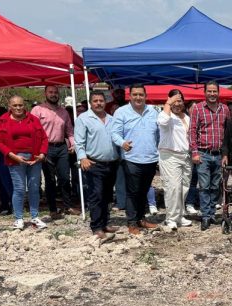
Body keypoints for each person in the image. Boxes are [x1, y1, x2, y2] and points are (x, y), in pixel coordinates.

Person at [111, 84, 160, 235]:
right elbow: (114, 133)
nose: (138, 97)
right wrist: (122, 143)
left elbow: (158, 134)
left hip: (150, 158)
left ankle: (141, 218)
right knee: (132, 192)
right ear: (129, 96)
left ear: (145, 96)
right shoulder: (121, 112)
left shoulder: (153, 111)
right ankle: (132, 222)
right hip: (131, 158)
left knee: (144, 190)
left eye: (141, 94)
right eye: (135, 95)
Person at [0, 96, 49, 231]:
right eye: (15, 105)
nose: (18, 108)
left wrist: (42, 154)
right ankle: (18, 218)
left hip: (34, 158)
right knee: (19, 189)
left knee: (34, 188)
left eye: (20, 105)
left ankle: (34, 216)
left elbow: (44, 138)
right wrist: (12, 155)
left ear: (24, 106)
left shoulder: (33, 119)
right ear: (10, 106)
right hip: (15, 159)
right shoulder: (2, 120)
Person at [75, 90, 120, 241]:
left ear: (105, 102)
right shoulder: (83, 119)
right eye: (95, 101)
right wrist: (82, 158)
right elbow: (79, 141)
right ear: (90, 103)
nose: (99, 103)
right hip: (94, 163)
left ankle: (105, 223)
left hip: (112, 163)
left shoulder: (111, 119)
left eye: (101, 100)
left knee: (107, 196)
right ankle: (96, 227)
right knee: (96, 195)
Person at [31, 85, 79, 219]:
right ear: (45, 93)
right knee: (50, 179)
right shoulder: (37, 110)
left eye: (55, 92)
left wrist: (73, 144)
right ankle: (53, 209)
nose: (53, 94)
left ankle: (68, 206)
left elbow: (69, 131)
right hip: (46, 148)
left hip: (62, 147)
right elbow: (32, 131)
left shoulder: (63, 112)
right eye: (50, 92)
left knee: (65, 178)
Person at [189, 81, 231, 231]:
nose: (212, 94)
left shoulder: (225, 109)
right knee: (204, 186)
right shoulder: (198, 109)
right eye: (210, 91)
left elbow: (228, 133)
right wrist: (194, 152)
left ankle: (212, 213)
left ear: (218, 93)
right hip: (203, 153)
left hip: (219, 154)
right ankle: (206, 215)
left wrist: (227, 153)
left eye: (215, 91)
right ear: (205, 92)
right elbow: (192, 131)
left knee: (215, 186)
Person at [157, 89, 193, 231]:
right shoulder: (166, 115)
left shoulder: (187, 117)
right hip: (170, 156)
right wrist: (168, 102)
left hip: (186, 156)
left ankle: (179, 215)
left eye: (180, 100)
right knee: (173, 188)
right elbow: (162, 121)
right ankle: (171, 218)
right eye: (175, 101)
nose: (177, 104)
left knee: (184, 188)